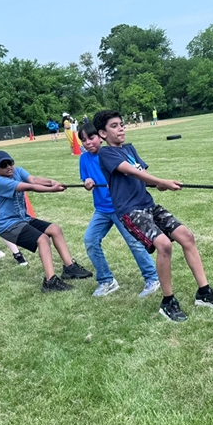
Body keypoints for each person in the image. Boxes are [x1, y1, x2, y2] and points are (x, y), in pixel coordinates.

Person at [94, 109, 213, 322]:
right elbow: (129, 171)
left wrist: (157, 184)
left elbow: (141, 176)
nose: (121, 128)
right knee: (164, 245)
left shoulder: (129, 148)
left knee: (187, 236)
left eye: (121, 124)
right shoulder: (106, 153)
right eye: (114, 126)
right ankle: (168, 302)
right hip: (130, 211)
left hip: (148, 204)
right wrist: (160, 180)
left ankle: (204, 292)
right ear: (102, 133)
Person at [0, 150, 92, 291]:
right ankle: (50, 282)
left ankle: (70, 268)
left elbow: (33, 180)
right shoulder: (1, 181)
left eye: (10, 162)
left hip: (22, 218)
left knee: (55, 229)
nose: (8, 167)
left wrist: (51, 182)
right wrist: (52, 189)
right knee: (42, 239)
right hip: (7, 224)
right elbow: (29, 187)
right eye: (3, 165)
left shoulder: (17, 171)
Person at [77, 122, 159, 298]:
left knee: (135, 243)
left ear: (101, 136)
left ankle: (153, 278)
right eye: (83, 140)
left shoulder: (111, 154)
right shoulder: (84, 159)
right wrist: (87, 182)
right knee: (90, 240)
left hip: (121, 208)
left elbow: (134, 174)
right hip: (101, 209)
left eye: (91, 138)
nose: (88, 143)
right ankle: (106, 280)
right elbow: (86, 178)